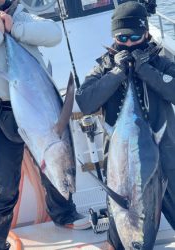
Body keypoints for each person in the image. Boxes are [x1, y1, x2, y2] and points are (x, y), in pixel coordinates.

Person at [0, 0, 90, 249]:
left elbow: (53, 33)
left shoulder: (20, 16)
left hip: (38, 109)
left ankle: (65, 214)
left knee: (52, 170)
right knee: (2, 186)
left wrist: (14, 28)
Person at [75, 1, 175, 249]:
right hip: (121, 163)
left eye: (134, 36)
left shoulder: (160, 61)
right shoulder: (105, 65)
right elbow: (85, 101)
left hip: (166, 158)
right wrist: (117, 73)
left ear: (146, 33)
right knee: (120, 230)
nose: (129, 43)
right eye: (122, 37)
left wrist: (145, 70)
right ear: (113, 36)